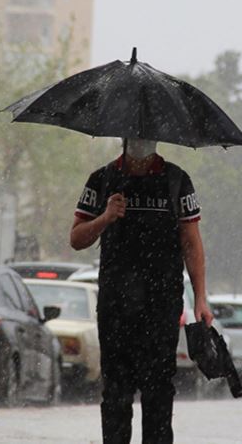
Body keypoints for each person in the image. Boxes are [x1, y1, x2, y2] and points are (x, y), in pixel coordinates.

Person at [70, 138, 213, 444]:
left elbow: (191, 241)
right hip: (115, 305)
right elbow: (76, 238)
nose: (141, 141)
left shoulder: (177, 180)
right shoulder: (102, 179)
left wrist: (201, 297)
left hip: (162, 305)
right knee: (116, 392)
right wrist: (105, 217)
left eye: (148, 133)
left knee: (159, 391)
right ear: (123, 137)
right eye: (135, 133)